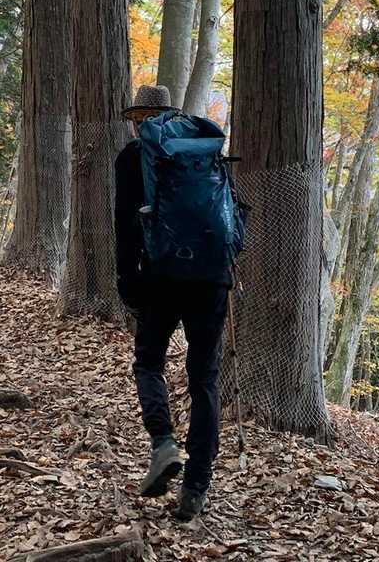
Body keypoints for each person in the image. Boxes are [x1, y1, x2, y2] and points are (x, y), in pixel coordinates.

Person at [115, 84, 238, 521]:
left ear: (139, 119)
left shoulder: (134, 157)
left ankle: (163, 442)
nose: (135, 125)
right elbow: (227, 215)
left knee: (149, 363)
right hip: (212, 277)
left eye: (136, 119)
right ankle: (196, 487)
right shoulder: (205, 152)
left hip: (161, 276)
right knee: (204, 380)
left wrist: (127, 283)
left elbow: (125, 226)